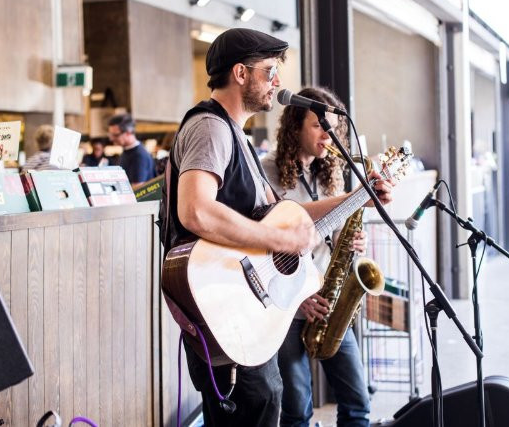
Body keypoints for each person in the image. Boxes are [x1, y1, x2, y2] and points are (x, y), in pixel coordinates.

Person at [161, 27, 393, 426]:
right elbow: (194, 211)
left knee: (269, 402)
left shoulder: (237, 136)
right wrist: (277, 237)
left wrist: (359, 197)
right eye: (269, 71)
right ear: (240, 73)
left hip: (241, 312)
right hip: (227, 309)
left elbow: (284, 215)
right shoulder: (210, 127)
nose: (277, 82)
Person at [262, 87, 371, 427]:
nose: (329, 136)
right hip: (287, 307)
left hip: (330, 301)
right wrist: (299, 299)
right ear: (294, 126)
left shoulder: (330, 174)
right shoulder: (266, 172)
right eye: (319, 126)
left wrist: (352, 241)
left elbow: (332, 232)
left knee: (358, 403)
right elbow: (265, 246)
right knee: (297, 410)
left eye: (334, 128)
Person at [107, 113, 156, 185]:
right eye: (111, 135)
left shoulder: (139, 156)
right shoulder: (126, 152)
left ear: (128, 132)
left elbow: (137, 189)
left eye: (116, 135)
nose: (111, 138)